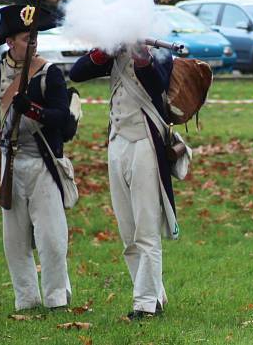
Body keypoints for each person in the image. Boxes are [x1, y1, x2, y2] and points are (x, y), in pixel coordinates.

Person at [69, 44, 178, 320]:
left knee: (146, 229)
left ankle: (144, 304)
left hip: (145, 142)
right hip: (117, 142)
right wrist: (106, 50)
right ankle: (156, 295)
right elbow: (78, 72)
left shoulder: (160, 53)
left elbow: (157, 85)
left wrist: (141, 54)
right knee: (128, 232)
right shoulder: (113, 50)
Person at [0, 4, 72, 311]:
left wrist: (31, 109)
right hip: (11, 162)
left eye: (34, 38)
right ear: (10, 42)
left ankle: (57, 298)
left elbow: (62, 117)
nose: (32, 44)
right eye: (25, 39)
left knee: (51, 238)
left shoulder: (49, 73)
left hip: (42, 160)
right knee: (15, 240)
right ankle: (26, 300)